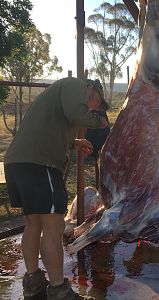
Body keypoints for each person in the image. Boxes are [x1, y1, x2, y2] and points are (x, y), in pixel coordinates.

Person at [4, 77, 108, 300]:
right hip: (41, 163)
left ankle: (33, 282)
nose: (96, 107)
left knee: (33, 224)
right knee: (54, 225)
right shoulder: (74, 85)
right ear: (90, 89)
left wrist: (74, 143)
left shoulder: (58, 95)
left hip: (19, 161)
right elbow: (77, 114)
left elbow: (49, 128)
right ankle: (59, 290)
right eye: (97, 102)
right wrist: (100, 121)